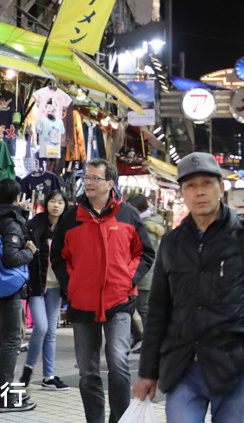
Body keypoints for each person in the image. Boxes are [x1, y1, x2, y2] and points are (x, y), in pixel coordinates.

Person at [132, 152, 244, 422]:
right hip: (182, 365)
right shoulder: (172, 243)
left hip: (235, 363)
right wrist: (148, 371)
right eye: (191, 186)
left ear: (221, 188)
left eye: (206, 184)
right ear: (182, 193)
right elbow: (158, 310)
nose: (199, 192)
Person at [50, 158, 155, 423]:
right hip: (82, 302)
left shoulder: (127, 214)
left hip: (119, 300)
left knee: (118, 362)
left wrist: (128, 279)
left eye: (94, 178)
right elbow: (59, 257)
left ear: (110, 183)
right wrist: (72, 283)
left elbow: (144, 253)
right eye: (86, 178)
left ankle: (119, 419)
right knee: (88, 370)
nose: (88, 183)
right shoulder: (71, 217)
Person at [0, 178, 37, 412]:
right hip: (10, 287)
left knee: (4, 340)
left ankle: (1, 392)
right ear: (17, 198)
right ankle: (5, 398)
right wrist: (29, 251)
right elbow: (11, 258)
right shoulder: (11, 222)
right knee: (11, 340)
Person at [21, 189, 70, 390]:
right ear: (46, 203)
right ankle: (27, 369)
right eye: (52, 201)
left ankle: (48, 377)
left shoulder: (67, 228)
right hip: (37, 286)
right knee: (40, 328)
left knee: (50, 332)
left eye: (60, 202)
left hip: (56, 288)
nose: (56, 205)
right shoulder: (34, 225)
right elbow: (22, 237)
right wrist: (23, 214)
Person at [125, 192, 166, 354]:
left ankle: (149, 342)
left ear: (139, 209)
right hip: (139, 274)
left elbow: (144, 254)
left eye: (132, 207)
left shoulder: (145, 227)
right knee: (132, 307)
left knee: (143, 309)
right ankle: (140, 337)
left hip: (144, 275)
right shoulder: (141, 223)